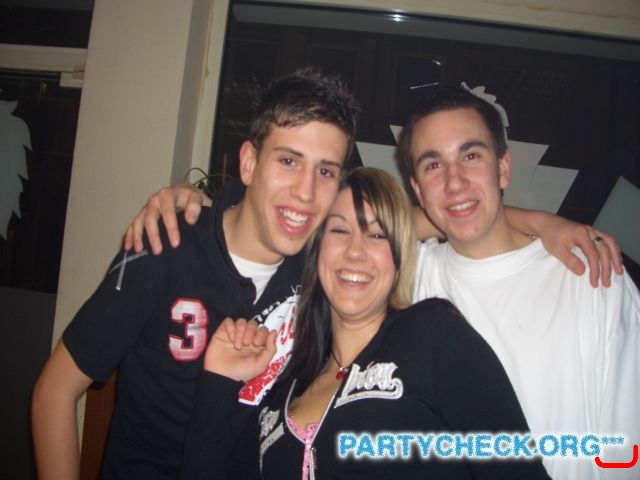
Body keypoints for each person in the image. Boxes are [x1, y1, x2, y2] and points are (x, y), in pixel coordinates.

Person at [31, 65, 360, 480]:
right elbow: (55, 391)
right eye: (289, 161)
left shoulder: (323, 268)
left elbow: (401, 230)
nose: (306, 192)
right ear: (249, 163)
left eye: (325, 171)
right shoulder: (165, 247)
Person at [183, 167, 552, 479]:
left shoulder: (433, 336)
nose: (355, 252)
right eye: (340, 230)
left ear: (399, 257)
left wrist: (540, 222)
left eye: (377, 235)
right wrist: (219, 381)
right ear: (317, 248)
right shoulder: (284, 385)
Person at [397, 86, 640, 479]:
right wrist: (540, 219)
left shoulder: (591, 276)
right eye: (433, 165)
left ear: (504, 168)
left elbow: (626, 450)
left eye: (471, 156)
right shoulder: (411, 278)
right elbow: (354, 225)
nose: (454, 182)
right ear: (416, 191)